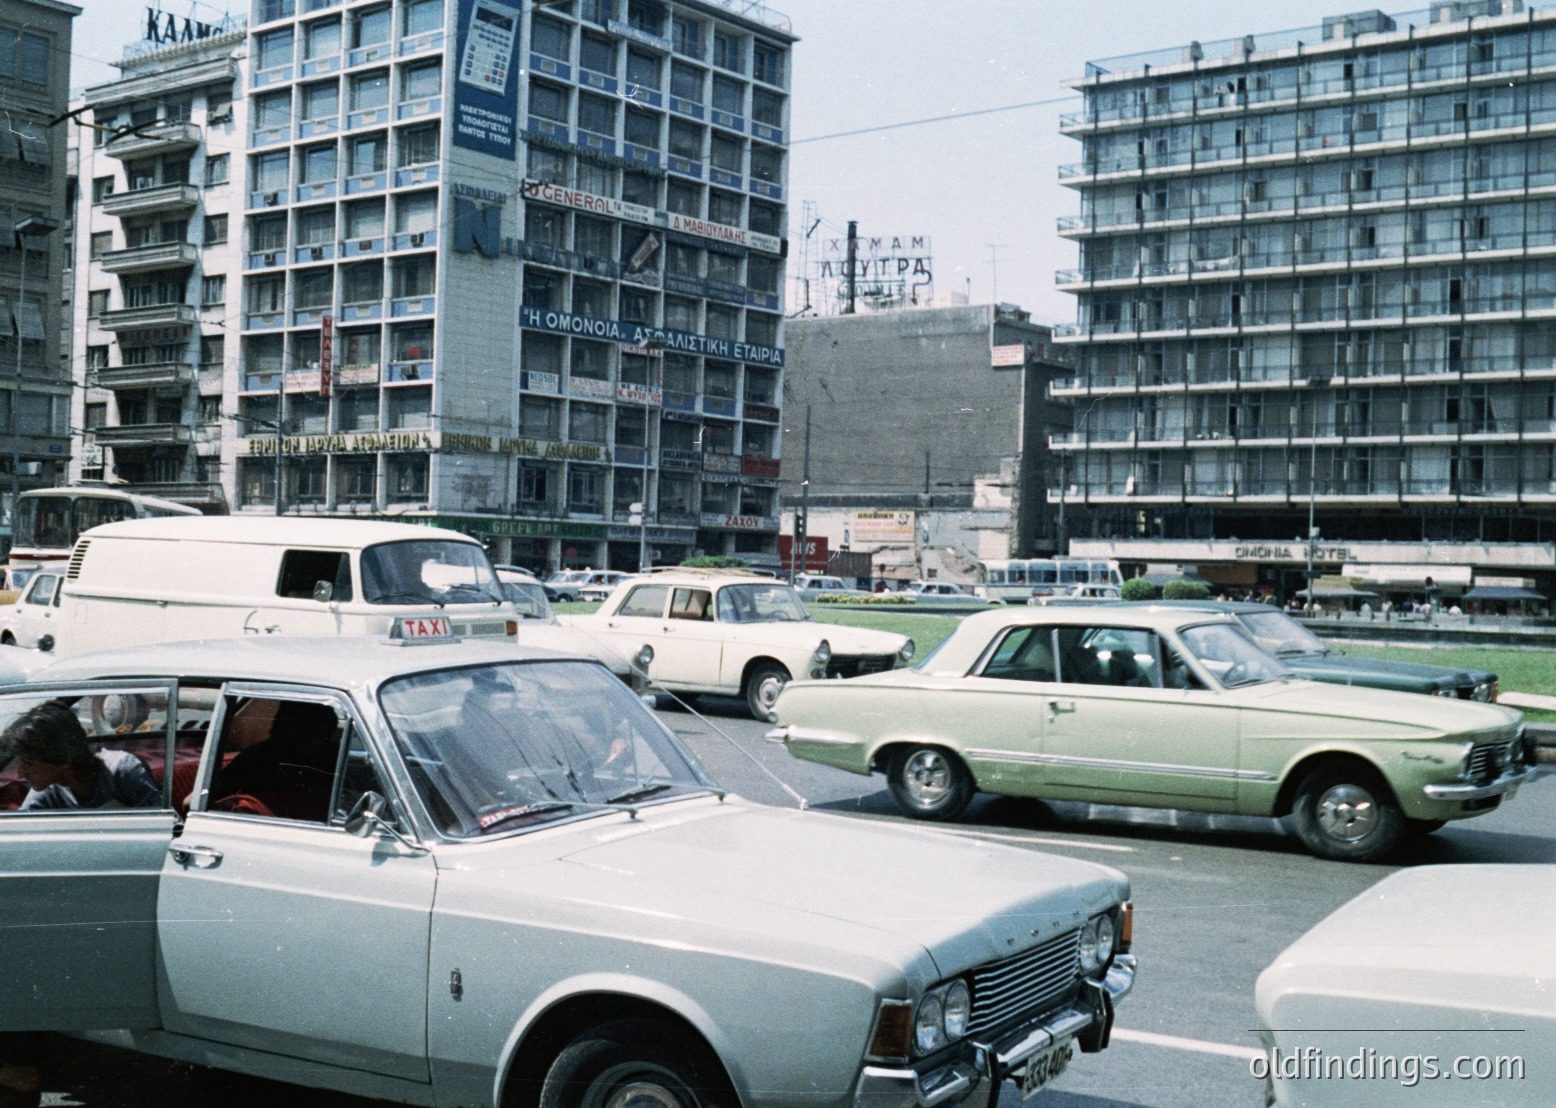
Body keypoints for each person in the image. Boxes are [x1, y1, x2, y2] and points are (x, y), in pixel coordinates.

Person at [2, 702, 161, 812]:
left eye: (29, 763)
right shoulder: (49, 788)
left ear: (63, 758)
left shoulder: (122, 769)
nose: (21, 773)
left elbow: (169, 827)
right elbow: (22, 829)